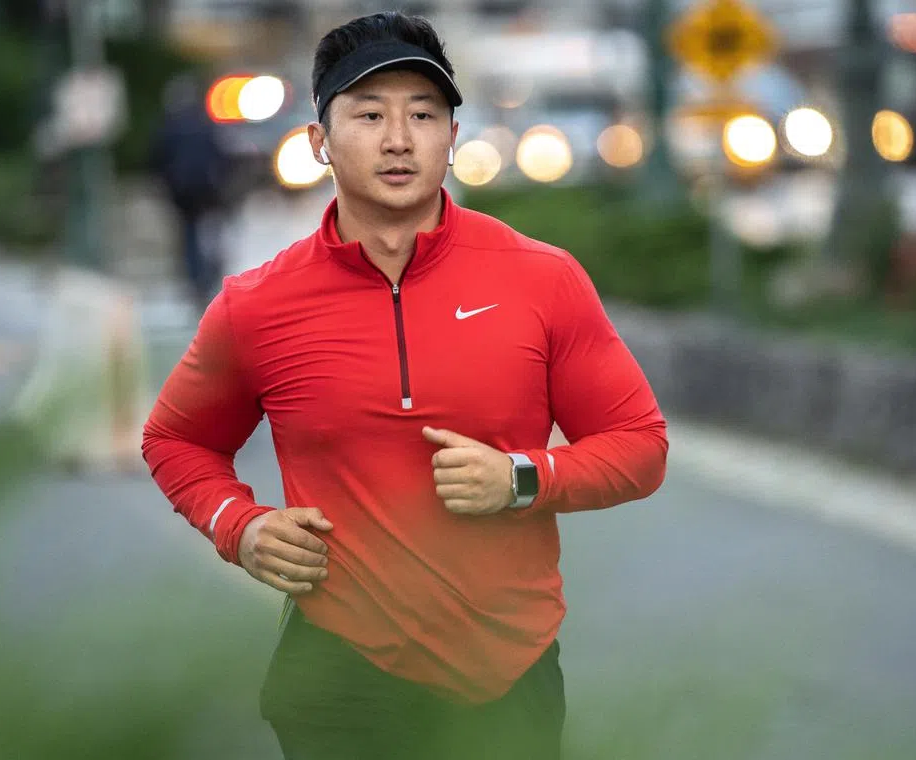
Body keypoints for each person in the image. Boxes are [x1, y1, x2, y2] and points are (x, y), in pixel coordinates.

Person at [142, 11, 668, 760]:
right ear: (320, 143)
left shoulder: (542, 279)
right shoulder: (258, 303)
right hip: (338, 671)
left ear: (453, 137)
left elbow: (641, 446)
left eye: (424, 114)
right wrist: (241, 526)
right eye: (369, 114)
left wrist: (522, 478)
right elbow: (175, 438)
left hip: (506, 674)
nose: (399, 138)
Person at [150, 73, 233, 315]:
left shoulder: (169, 127)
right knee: (210, 231)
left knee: (189, 235)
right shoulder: (204, 124)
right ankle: (207, 275)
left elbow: (157, 159)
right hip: (207, 187)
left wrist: (164, 183)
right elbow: (222, 154)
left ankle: (197, 279)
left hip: (182, 189)